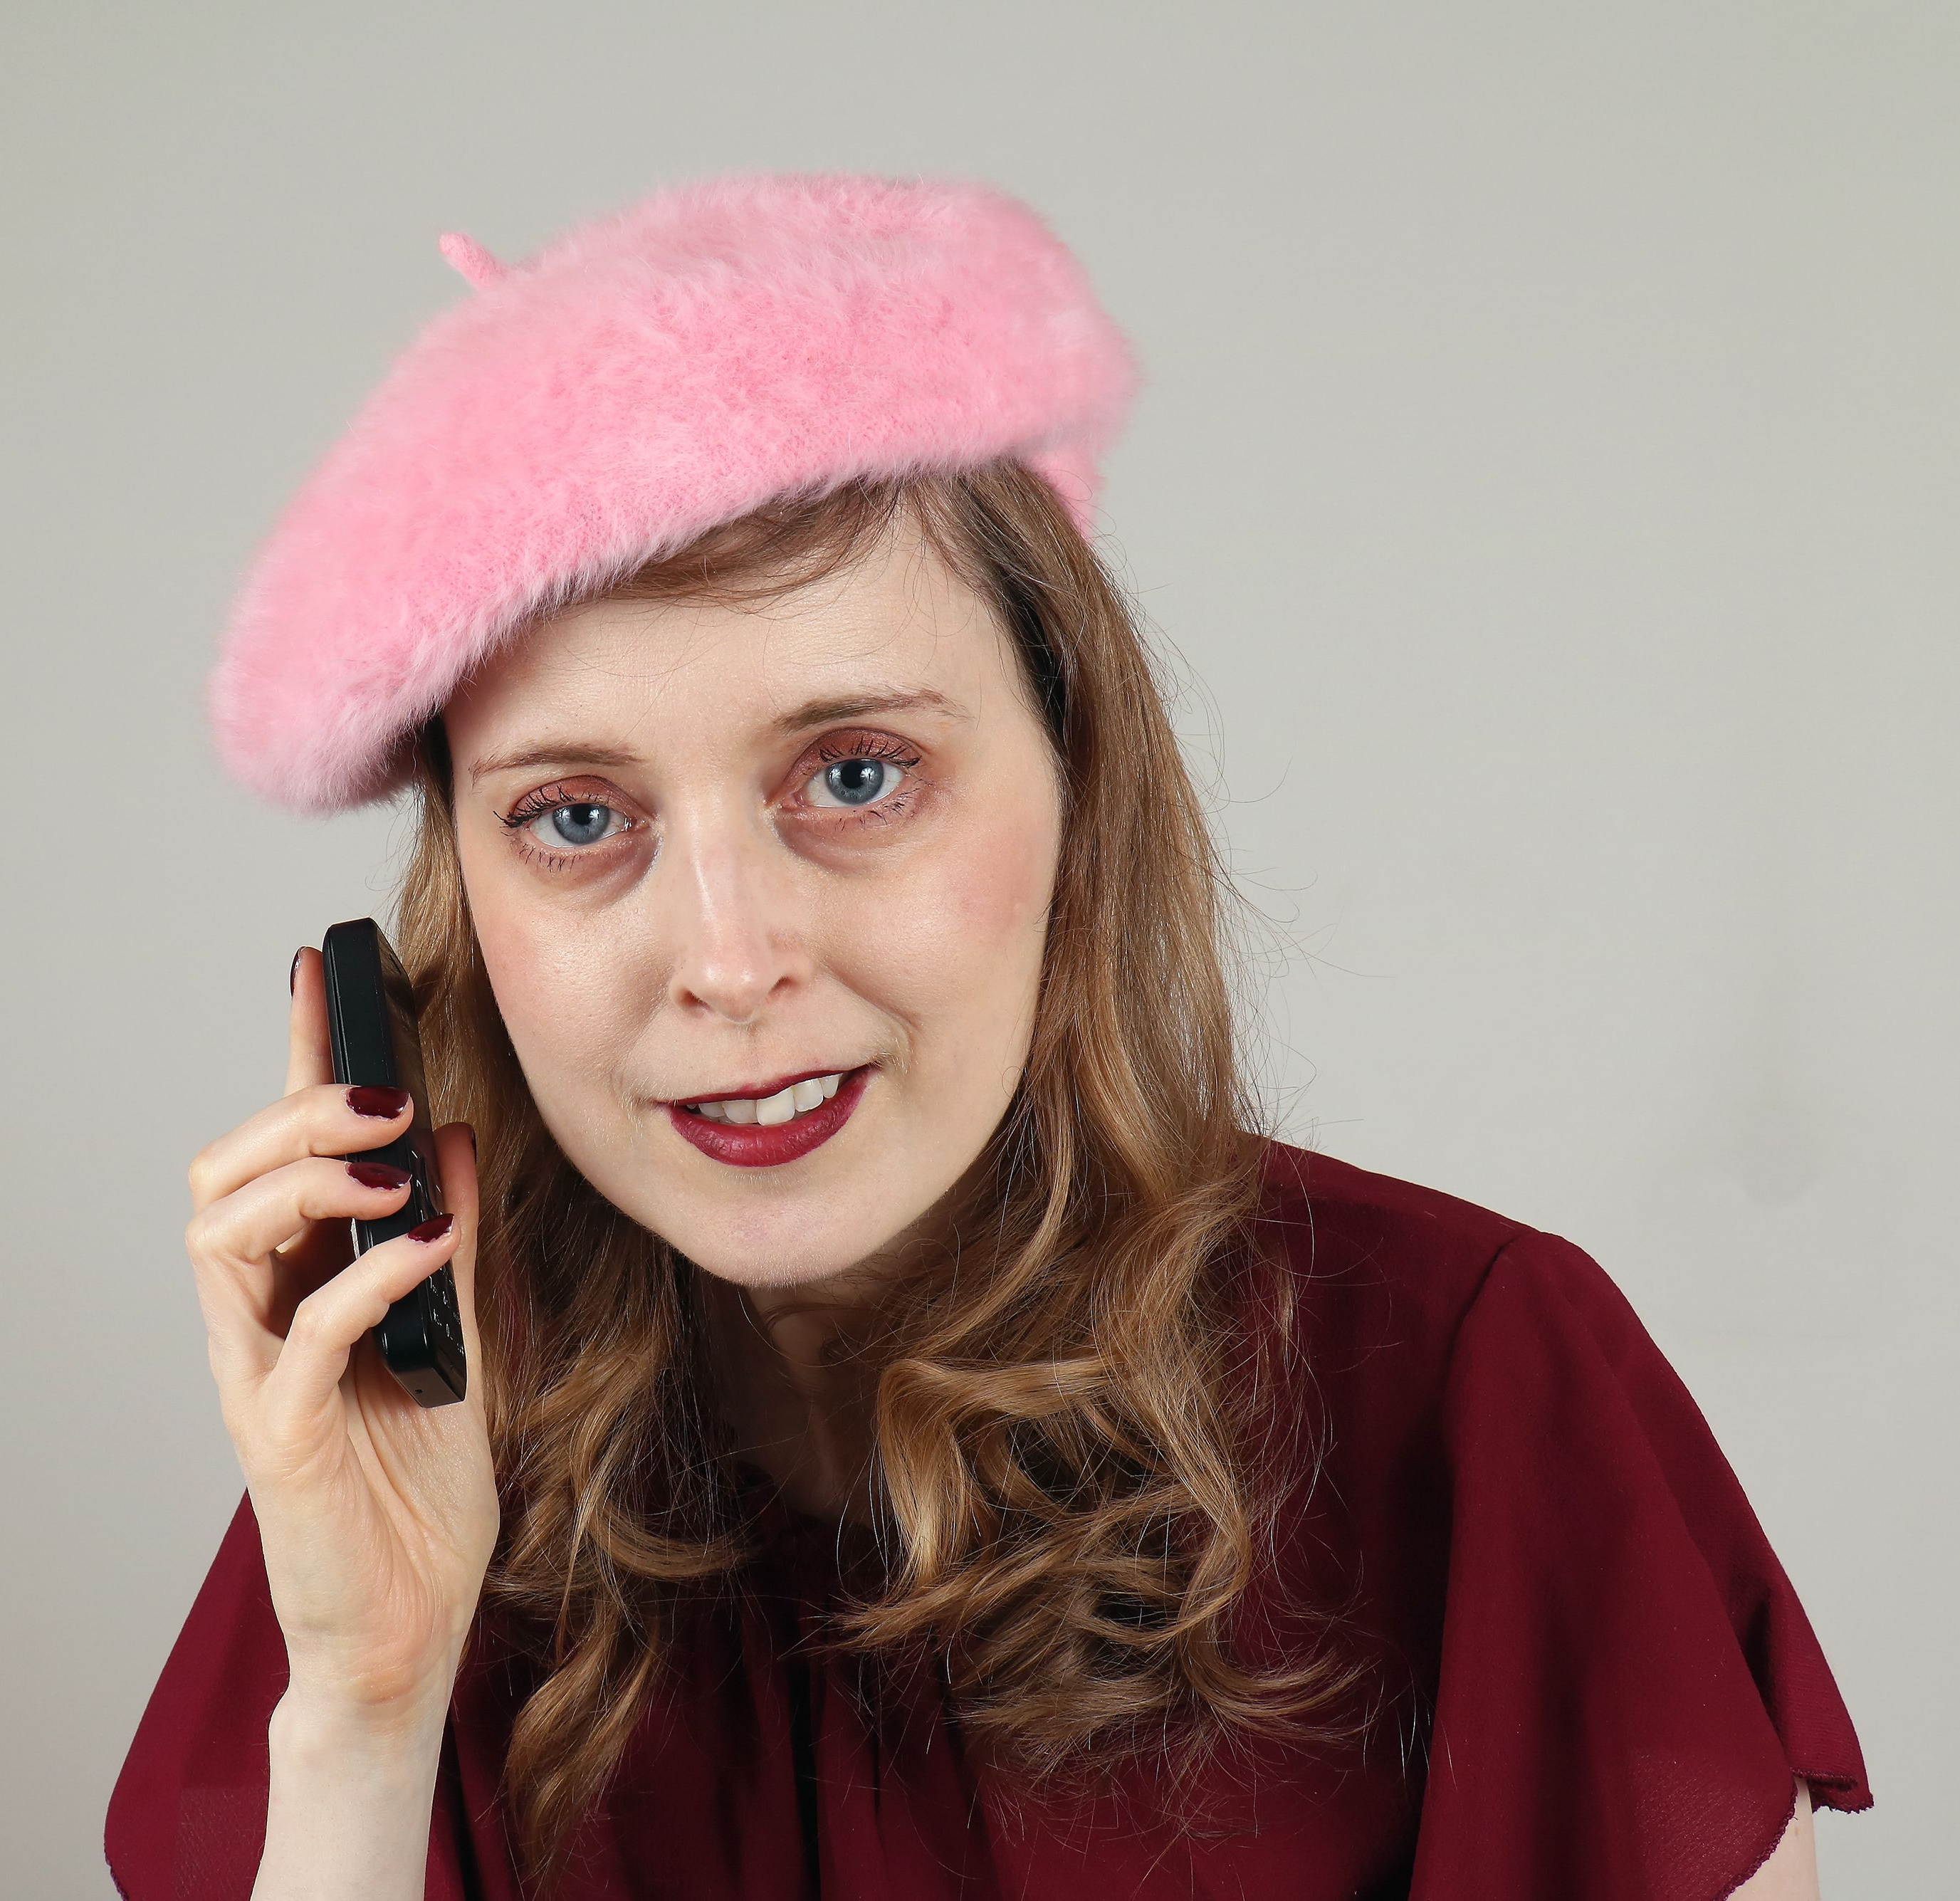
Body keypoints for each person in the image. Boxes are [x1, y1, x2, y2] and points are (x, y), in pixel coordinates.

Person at [106, 173, 1868, 1901]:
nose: (726, 962)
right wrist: (364, 1704)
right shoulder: (407, 1466)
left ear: (1075, 788)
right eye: (576, 818)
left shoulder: (1475, 1390)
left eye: (856, 776)